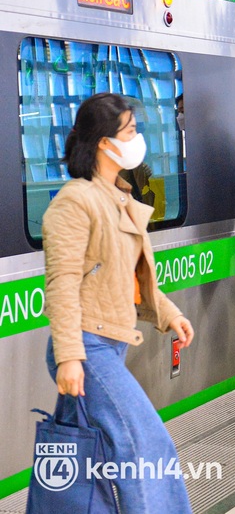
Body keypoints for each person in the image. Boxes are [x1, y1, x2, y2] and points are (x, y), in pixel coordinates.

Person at [40, 93, 195, 512]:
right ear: (104, 143)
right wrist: (70, 356)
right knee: (144, 445)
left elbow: (129, 276)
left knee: (80, 454)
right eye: (130, 131)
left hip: (109, 342)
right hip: (87, 347)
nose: (137, 139)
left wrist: (169, 313)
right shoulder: (76, 200)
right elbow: (62, 283)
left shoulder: (119, 196)